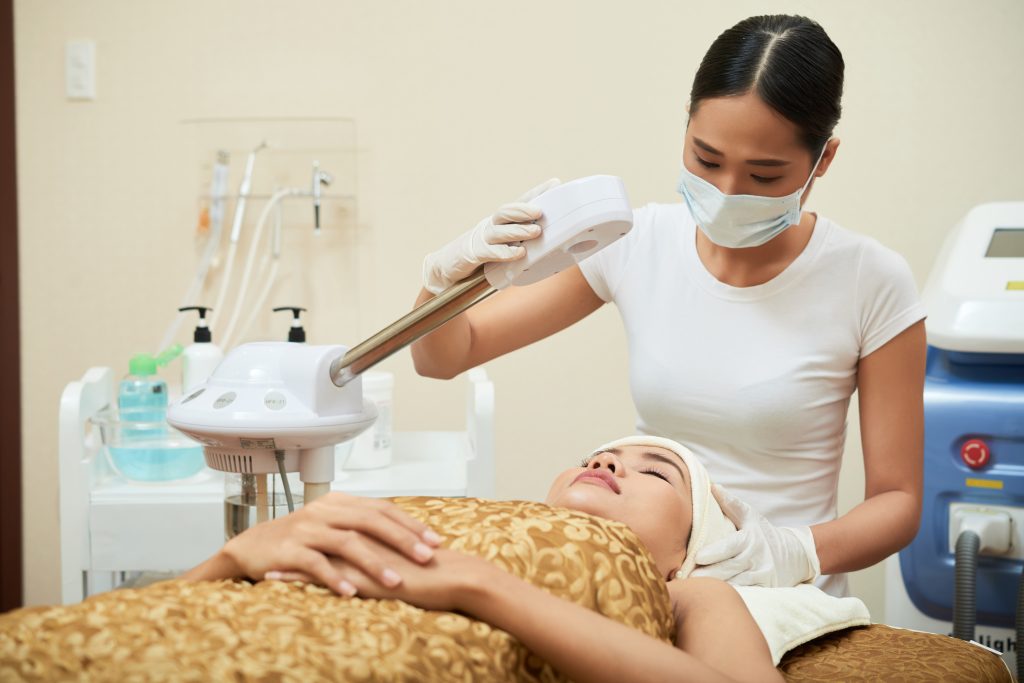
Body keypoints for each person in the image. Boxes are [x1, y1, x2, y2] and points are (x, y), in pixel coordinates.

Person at [411, 14, 926, 596]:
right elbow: (444, 357)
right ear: (686, 125)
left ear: (822, 160)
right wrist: (443, 278)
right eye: (707, 160)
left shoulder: (870, 279)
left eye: (764, 174)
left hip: (787, 602)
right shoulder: (635, 243)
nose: (728, 191)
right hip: (647, 588)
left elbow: (898, 501)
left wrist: (794, 552)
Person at [183, 436, 784, 683]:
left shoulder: (690, 593)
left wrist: (480, 587)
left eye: (655, 471)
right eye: (598, 456)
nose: (606, 464)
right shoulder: (475, 522)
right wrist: (232, 558)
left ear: (686, 554)